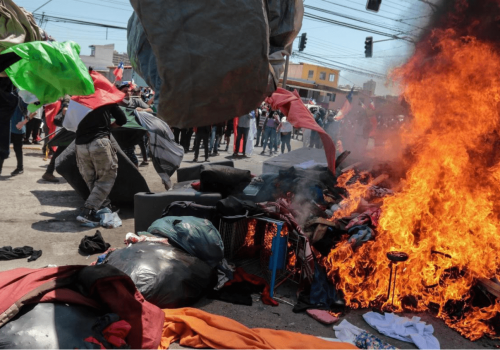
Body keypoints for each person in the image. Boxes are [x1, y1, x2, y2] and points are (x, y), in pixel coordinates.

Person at [75, 103, 127, 224]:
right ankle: (87, 211)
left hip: (80, 145)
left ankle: (104, 207)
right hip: (100, 143)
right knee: (106, 178)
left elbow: (65, 122)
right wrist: (108, 127)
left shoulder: (77, 98)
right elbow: (122, 119)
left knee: (91, 179)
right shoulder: (106, 98)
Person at [42, 95, 71, 183]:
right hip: (71, 128)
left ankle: (49, 172)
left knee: (64, 150)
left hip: (71, 127)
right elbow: (65, 110)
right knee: (62, 149)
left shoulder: (73, 94)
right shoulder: (70, 95)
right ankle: (49, 172)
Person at [9, 94, 29, 176]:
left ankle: (20, 168)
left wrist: (23, 122)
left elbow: (34, 112)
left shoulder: (22, 97)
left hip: (17, 129)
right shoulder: (7, 94)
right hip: (7, 127)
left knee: (17, 149)